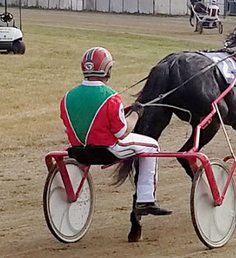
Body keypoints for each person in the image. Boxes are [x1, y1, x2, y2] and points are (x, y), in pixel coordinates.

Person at [60, 47, 171, 216]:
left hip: (78, 151)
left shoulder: (67, 97)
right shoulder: (111, 97)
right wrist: (135, 114)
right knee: (152, 146)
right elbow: (121, 132)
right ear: (108, 70)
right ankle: (145, 199)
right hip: (108, 150)